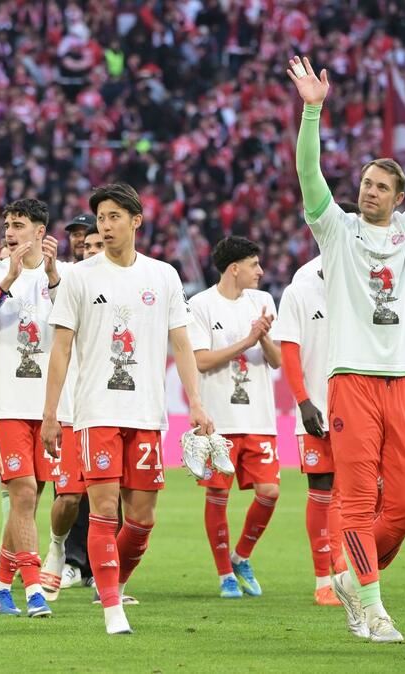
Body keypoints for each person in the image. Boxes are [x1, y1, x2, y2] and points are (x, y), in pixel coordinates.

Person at [289, 55, 405, 642]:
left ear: (398, 197)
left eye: (382, 186)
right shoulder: (334, 230)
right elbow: (309, 175)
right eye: (365, 182)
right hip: (351, 380)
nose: (369, 191)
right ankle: (374, 608)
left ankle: (351, 579)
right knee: (358, 504)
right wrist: (312, 111)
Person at [41, 183, 214, 635]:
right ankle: (112, 607)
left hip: (147, 413)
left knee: (141, 520)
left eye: (115, 216)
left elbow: (182, 342)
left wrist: (195, 402)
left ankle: (110, 581)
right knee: (101, 510)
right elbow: (60, 349)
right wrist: (50, 413)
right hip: (96, 412)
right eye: (101, 218)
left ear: (136, 221)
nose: (106, 225)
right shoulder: (80, 277)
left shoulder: (164, 276)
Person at [0, 198, 61, 616]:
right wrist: (6, 281)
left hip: (50, 406)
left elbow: (79, 328)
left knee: (30, 499)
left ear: (40, 232)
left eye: (18, 224)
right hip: (6, 403)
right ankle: (34, 589)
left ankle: (2, 585)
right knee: (21, 492)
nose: (10, 231)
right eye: (7, 224)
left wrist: (53, 277)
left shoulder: (66, 275)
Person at [186, 236, 281, 600]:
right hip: (218, 421)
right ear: (235, 269)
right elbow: (202, 360)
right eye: (254, 264)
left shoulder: (263, 302)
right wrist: (247, 340)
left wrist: (264, 338)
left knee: (270, 492)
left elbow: (276, 361)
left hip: (259, 418)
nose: (260, 271)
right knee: (217, 495)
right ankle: (225, 574)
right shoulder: (200, 305)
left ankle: (241, 556)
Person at [270, 256, 343, 606]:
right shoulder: (300, 289)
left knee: (360, 493)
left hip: (360, 409)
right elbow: (290, 350)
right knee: (322, 488)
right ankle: (324, 581)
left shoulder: (370, 282)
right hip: (317, 409)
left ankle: (348, 571)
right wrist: (303, 401)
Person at [57, 222, 105, 591]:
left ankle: (99, 567)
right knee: (71, 494)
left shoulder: (138, 280)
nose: (87, 248)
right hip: (75, 407)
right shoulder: (69, 281)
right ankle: (68, 557)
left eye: (95, 243)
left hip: (115, 406)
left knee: (108, 495)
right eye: (83, 242)